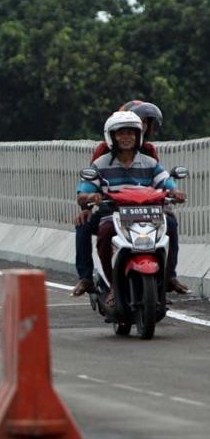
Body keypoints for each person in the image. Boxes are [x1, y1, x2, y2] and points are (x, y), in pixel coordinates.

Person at [72, 101, 188, 295]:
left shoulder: (149, 160)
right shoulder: (101, 161)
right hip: (113, 213)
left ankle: (169, 276)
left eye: (132, 132)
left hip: (147, 213)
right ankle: (99, 282)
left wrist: (174, 193)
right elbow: (85, 190)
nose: (126, 138)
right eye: (121, 133)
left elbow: (165, 182)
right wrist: (89, 200)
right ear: (112, 137)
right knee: (94, 229)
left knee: (171, 224)